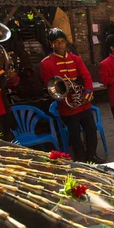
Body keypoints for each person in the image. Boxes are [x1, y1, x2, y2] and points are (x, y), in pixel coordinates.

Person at [40, 28, 100, 163]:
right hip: (67, 108)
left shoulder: (76, 59)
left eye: (62, 41)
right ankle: (80, 159)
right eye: (56, 42)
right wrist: (64, 99)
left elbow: (86, 77)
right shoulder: (46, 63)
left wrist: (88, 93)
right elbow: (51, 88)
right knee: (75, 135)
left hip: (84, 104)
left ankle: (92, 156)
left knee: (91, 130)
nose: (60, 45)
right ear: (51, 44)